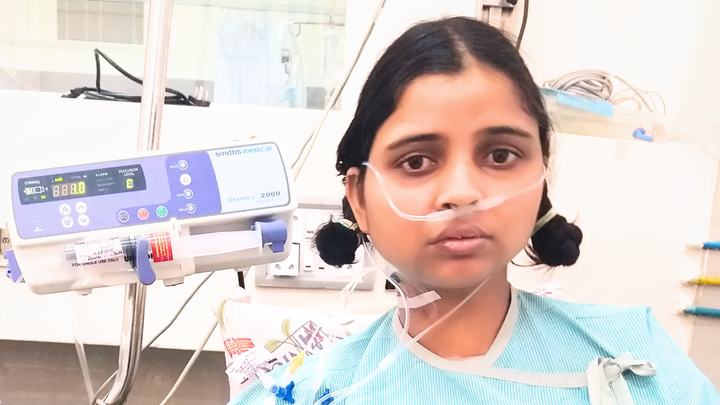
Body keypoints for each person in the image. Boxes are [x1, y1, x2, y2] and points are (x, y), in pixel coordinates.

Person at [228, 16, 720, 405]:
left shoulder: (640, 357)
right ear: (359, 197)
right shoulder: (305, 394)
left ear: (540, 178)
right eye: (417, 161)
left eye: (500, 155)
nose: (462, 193)